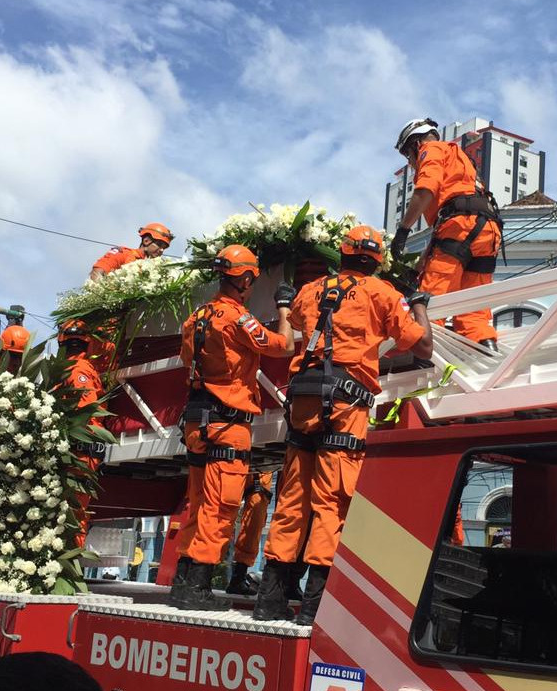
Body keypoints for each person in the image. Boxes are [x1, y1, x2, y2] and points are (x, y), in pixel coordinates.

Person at [254, 225, 434, 624]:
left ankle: (269, 600)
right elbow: (423, 347)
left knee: (292, 499)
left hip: (303, 399)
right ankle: (314, 608)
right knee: (331, 501)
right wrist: (418, 303)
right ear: (377, 260)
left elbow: (298, 326)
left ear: (343, 253)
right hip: (345, 403)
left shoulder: (311, 289)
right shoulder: (382, 293)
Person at [170, 245, 295, 611]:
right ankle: (199, 587)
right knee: (220, 507)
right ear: (242, 278)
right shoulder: (238, 319)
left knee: (198, 505)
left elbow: (186, 361)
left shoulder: (196, 318)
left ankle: (183, 581)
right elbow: (284, 345)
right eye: (252, 280)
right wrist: (284, 306)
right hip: (228, 423)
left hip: (196, 422)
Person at [390, 118, 501, 350]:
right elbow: (450, 214)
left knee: (431, 300)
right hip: (487, 230)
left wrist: (403, 230)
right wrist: (424, 260)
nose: (410, 163)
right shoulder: (460, 157)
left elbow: (426, 189)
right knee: (474, 306)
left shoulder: (430, 150)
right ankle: (486, 349)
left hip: (459, 227)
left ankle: (423, 358)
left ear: (415, 143)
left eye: (408, 156)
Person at [59, 320, 106, 546]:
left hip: (76, 453)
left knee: (70, 511)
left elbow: (84, 409)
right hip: (80, 454)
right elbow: (89, 410)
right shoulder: (80, 369)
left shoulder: (71, 370)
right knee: (74, 512)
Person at [225, 470, 274, 595]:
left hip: (240, 462)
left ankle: (194, 576)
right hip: (258, 464)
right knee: (254, 514)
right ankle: (237, 577)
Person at [89, 222, 174, 281]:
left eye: (164, 248)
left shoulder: (158, 270)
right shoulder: (123, 253)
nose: (162, 250)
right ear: (146, 241)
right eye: (159, 245)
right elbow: (96, 273)